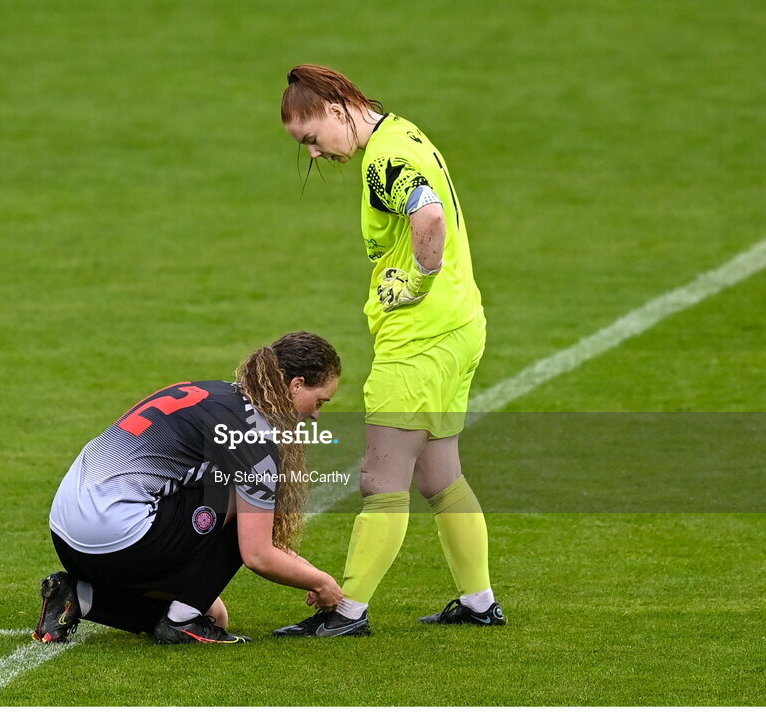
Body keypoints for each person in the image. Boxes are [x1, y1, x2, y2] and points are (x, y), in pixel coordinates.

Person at [273, 65, 505, 637]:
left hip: (420, 342)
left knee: (381, 480)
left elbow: (428, 218)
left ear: (334, 108)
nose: (315, 155)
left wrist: (420, 280)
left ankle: (346, 611)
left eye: (310, 139)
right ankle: (479, 602)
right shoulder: (403, 132)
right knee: (440, 477)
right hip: (459, 329)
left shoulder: (383, 160)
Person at [32, 331, 345, 645]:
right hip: (120, 543)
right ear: (296, 385)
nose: (316, 415)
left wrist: (300, 566)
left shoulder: (208, 391)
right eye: (318, 402)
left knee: (214, 614)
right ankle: (181, 622)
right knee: (235, 496)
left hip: (67, 539)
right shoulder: (252, 434)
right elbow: (257, 553)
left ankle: (79, 597)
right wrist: (322, 583)